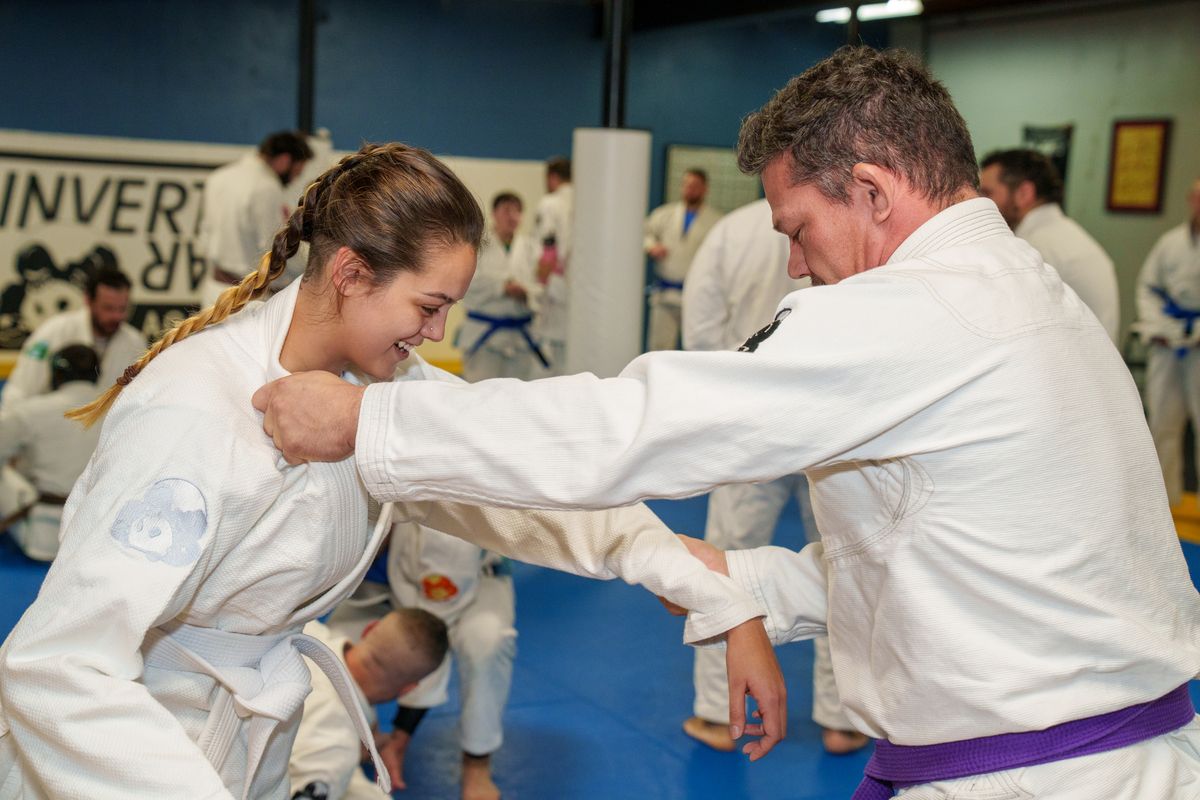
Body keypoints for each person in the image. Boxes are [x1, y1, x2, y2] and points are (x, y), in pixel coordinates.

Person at [255, 48, 1200, 799]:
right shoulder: (1029, 295)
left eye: (797, 228)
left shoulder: (918, 310)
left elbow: (636, 427)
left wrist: (370, 421)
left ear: (873, 191)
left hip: (1041, 774)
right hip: (1107, 754)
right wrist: (746, 586)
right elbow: (950, 550)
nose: (795, 265)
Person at [0, 143, 779, 798]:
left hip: (251, 739)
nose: (437, 331)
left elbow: (511, 480)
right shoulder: (192, 412)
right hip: (124, 758)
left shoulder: (377, 392)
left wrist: (676, 568)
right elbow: (58, 666)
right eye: (427, 305)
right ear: (349, 274)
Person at [680, 198, 865, 756]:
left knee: (726, 561)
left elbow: (701, 329)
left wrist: (722, 400)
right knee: (845, 557)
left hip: (748, 419)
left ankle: (720, 712)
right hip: (834, 415)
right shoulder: (847, 220)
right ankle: (844, 716)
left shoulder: (731, 231)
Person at [328, 518, 515, 800]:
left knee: (486, 642)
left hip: (469, 577)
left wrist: (401, 737)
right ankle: (366, 736)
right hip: (381, 582)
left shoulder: (443, 533)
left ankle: (477, 763)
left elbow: (426, 636)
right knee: (329, 649)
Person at [288, 611, 448, 800]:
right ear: (408, 689)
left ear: (368, 629)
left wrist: (371, 741)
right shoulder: (336, 749)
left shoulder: (303, 625)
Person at [979, 148, 1120, 343]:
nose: (980, 202)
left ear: (1024, 193)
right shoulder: (1061, 233)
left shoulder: (1035, 246)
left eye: (987, 193)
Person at [0, 345, 102, 561]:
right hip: (100, 534)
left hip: (42, 537)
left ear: (56, 374)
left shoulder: (32, 410)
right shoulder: (123, 409)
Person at [1135, 176, 1200, 508]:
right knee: (1162, 422)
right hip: (1168, 343)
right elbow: (1148, 287)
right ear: (1190, 199)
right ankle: (1164, 504)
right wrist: (1160, 325)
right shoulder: (1170, 242)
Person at [198, 130, 313, 308]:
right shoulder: (266, 187)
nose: (294, 179)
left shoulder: (218, 177)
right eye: (297, 172)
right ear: (284, 160)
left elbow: (204, 235)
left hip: (213, 290)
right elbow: (275, 247)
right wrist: (311, 271)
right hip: (247, 300)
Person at [1, 267, 144, 409]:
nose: (117, 316)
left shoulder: (135, 343)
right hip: (52, 420)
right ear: (88, 300)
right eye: (108, 308)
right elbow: (19, 392)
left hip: (107, 422)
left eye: (122, 309)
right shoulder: (53, 332)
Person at [457, 192, 544, 381]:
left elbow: (542, 285)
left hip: (521, 339)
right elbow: (465, 282)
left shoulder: (531, 248)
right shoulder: (476, 246)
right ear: (494, 213)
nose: (512, 216)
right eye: (506, 210)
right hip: (484, 336)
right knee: (481, 392)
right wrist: (502, 287)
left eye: (517, 211)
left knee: (519, 394)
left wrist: (526, 293)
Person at [644, 169, 722, 350]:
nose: (690, 189)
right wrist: (651, 246)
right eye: (687, 185)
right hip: (665, 293)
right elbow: (646, 234)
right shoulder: (664, 214)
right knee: (660, 346)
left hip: (697, 294)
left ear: (705, 189)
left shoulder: (716, 220)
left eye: (695, 186)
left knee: (698, 346)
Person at [531, 157, 573, 375]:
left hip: (556, 286)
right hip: (582, 292)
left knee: (549, 360)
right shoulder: (587, 201)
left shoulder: (551, 203)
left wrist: (540, 285)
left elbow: (548, 246)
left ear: (552, 177)